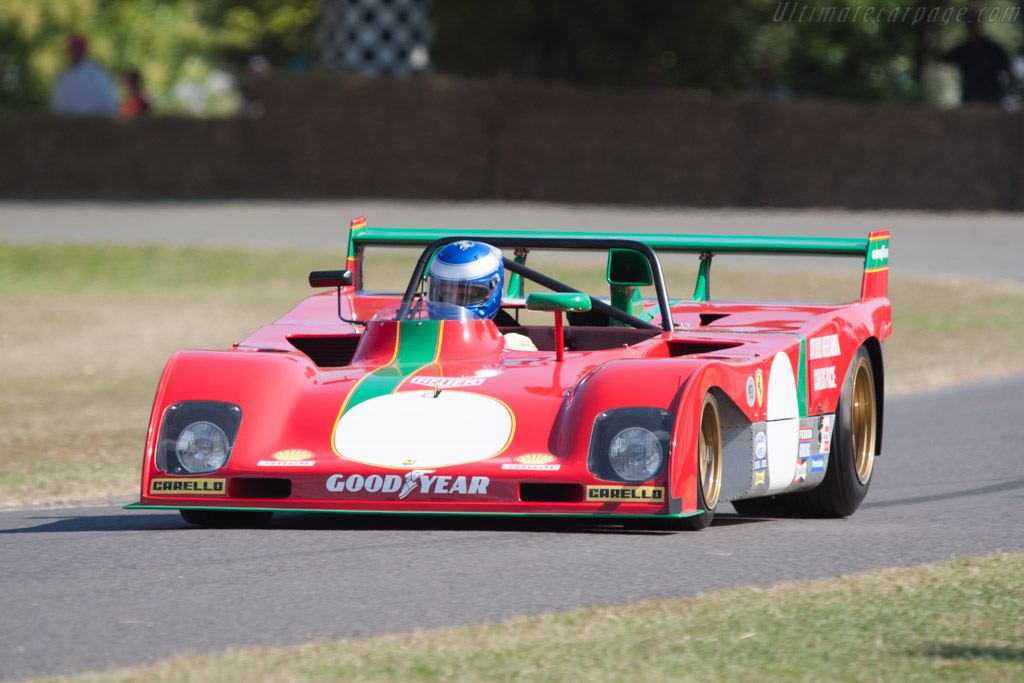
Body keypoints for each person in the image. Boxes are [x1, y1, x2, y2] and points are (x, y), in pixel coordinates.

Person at [426, 241, 537, 350]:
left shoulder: (515, 345)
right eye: (447, 294)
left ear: (492, 291)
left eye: (467, 294)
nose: (456, 303)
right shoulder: (419, 332)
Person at [940, 12, 1013, 105]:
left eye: (974, 22)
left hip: (991, 98)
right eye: (970, 23)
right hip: (970, 99)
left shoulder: (993, 49)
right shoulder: (963, 50)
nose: (972, 26)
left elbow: (1007, 68)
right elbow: (941, 58)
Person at [51, 33, 118, 116]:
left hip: (91, 123)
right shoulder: (63, 76)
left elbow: (109, 106)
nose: (74, 54)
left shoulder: (97, 75)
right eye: (72, 51)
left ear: (84, 52)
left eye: (77, 50)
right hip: (64, 124)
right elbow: (56, 106)